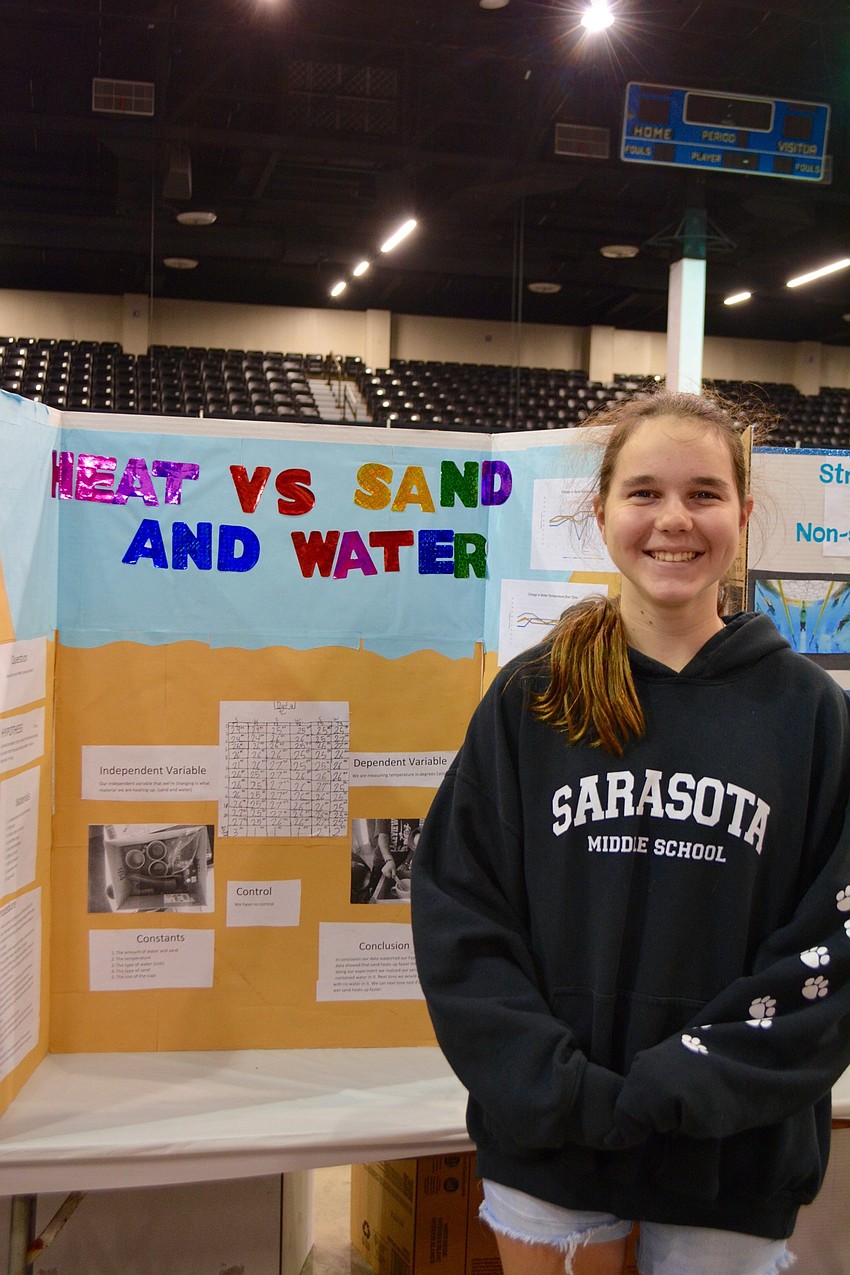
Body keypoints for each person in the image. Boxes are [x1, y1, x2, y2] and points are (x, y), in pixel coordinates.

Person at [411, 389, 850, 1275]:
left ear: (744, 513)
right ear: (602, 509)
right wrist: (556, 1086)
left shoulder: (812, 717)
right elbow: (461, 913)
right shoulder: (533, 700)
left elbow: (833, 948)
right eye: (645, 492)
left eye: (704, 493)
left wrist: (681, 1083)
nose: (673, 521)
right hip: (552, 1142)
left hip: (734, 1151)